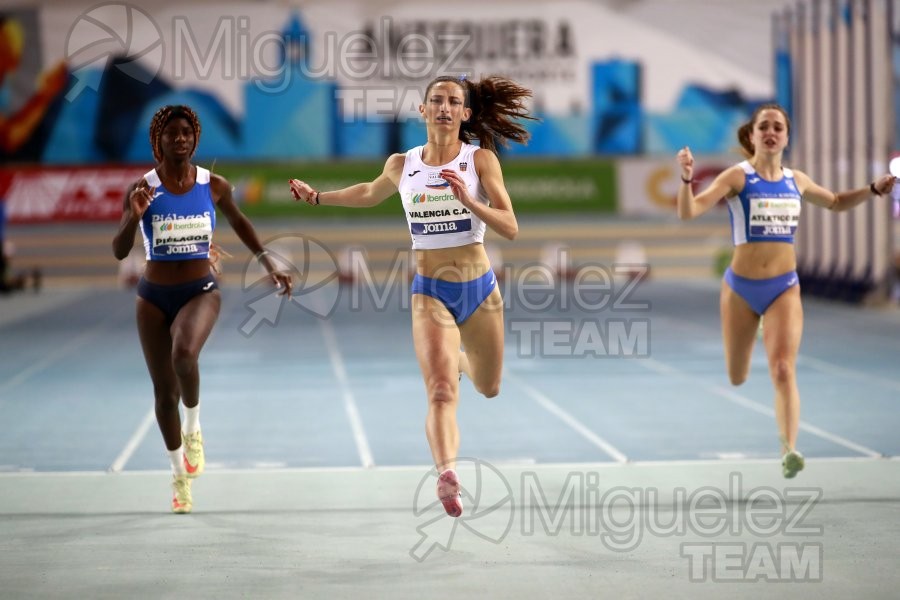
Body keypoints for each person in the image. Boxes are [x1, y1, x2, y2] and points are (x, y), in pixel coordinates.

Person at [289, 75, 535, 516]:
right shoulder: (403, 165)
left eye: (453, 101)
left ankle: (461, 359)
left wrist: (469, 201)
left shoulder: (480, 161)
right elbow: (368, 192)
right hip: (429, 292)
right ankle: (447, 474)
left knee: (489, 386)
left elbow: (511, 227)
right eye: (436, 100)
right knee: (441, 392)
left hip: (480, 291)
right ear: (422, 111)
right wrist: (318, 198)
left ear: (465, 114)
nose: (444, 106)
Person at [676, 103, 895, 478]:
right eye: (764, 126)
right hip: (740, 289)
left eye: (778, 126)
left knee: (782, 369)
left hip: (783, 288)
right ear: (753, 135)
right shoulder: (736, 177)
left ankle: (789, 450)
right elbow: (689, 212)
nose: (771, 132)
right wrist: (685, 181)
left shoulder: (798, 181)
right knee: (737, 376)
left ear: (787, 137)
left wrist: (873, 189)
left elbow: (837, 203)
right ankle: (755, 329)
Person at [113, 105, 292, 513]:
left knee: (184, 354)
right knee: (163, 394)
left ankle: (193, 427)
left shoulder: (214, 185)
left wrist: (267, 261)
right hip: (152, 298)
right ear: (157, 139)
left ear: (195, 139)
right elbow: (119, 249)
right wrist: (133, 218)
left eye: (186, 133)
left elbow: (241, 222)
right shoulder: (142, 188)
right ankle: (179, 477)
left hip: (201, 289)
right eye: (171, 133)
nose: (180, 139)